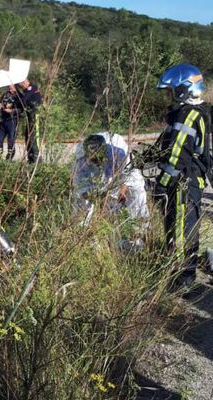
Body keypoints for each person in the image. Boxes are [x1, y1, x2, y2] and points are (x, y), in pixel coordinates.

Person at [152, 64, 211, 288]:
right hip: (188, 181)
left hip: (182, 182)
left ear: (184, 89)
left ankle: (182, 280)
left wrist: (161, 184)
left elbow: (177, 156)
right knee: (182, 228)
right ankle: (181, 274)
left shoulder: (188, 115)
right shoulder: (194, 112)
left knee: (180, 230)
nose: (170, 96)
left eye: (172, 91)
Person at [73, 132, 149, 228]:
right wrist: (97, 198)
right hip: (98, 183)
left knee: (136, 192)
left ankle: (140, 228)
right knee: (81, 202)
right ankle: (81, 230)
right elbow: (80, 187)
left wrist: (123, 188)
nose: (97, 162)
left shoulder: (119, 152)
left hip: (120, 176)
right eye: (93, 160)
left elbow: (132, 174)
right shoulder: (81, 160)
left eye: (99, 158)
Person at [0, 84, 23, 160]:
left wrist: (12, 111)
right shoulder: (5, 94)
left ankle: (9, 158)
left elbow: (21, 109)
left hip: (12, 121)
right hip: (3, 120)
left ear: (15, 86)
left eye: (11, 87)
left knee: (11, 140)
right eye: (9, 87)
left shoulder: (19, 96)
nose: (10, 88)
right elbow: (0, 103)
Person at [18, 79, 42, 163]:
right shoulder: (27, 90)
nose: (22, 87)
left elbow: (24, 100)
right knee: (27, 136)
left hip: (34, 114)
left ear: (26, 83)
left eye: (22, 85)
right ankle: (30, 158)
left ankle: (37, 158)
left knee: (34, 136)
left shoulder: (31, 88)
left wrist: (18, 95)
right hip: (29, 115)